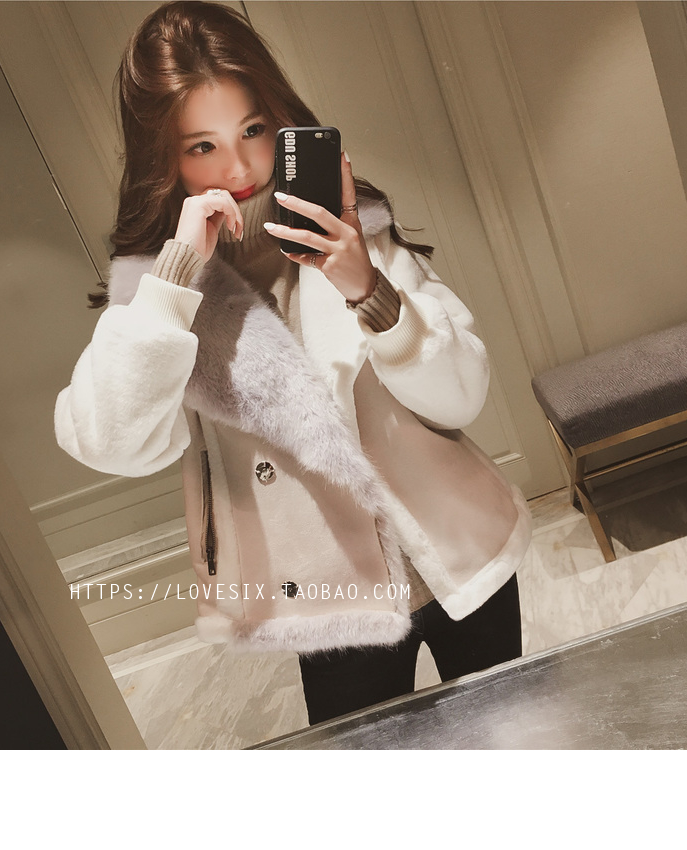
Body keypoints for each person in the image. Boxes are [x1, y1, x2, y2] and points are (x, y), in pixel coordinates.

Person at [55, 0, 532, 727]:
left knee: (517, 740)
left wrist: (368, 288)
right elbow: (110, 443)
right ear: (163, 157)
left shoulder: (352, 231)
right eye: (202, 146)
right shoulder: (161, 296)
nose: (239, 167)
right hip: (327, 599)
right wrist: (176, 274)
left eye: (252, 130)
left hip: (461, 555)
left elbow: (462, 397)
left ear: (280, 120)